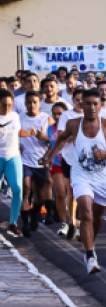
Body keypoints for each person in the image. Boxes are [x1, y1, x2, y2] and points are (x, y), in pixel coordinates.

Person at [42, 89, 106, 274]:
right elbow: (61, 140)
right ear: (81, 105)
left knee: (96, 217)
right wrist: (50, 156)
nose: (92, 107)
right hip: (81, 176)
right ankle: (89, 256)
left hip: (103, 180)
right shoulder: (73, 124)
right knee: (86, 214)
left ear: (100, 105)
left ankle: (90, 243)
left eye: (96, 103)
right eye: (88, 103)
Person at [0, 89, 36, 237]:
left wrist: (28, 133)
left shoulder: (15, 116)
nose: (7, 108)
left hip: (13, 156)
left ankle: (13, 223)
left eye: (9, 105)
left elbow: (17, 131)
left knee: (18, 189)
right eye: (3, 105)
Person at [18, 92, 54, 237]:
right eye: (29, 102)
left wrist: (43, 136)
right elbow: (12, 135)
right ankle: (25, 223)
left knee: (39, 192)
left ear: (40, 103)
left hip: (41, 160)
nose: (32, 105)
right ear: (25, 104)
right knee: (26, 188)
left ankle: (35, 215)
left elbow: (55, 140)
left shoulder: (46, 119)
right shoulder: (19, 118)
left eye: (35, 102)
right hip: (24, 159)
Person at [54, 89, 84, 240]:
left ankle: (80, 223)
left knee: (84, 194)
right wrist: (73, 136)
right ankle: (72, 223)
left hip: (87, 161)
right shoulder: (67, 115)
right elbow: (60, 137)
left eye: (82, 99)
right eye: (77, 99)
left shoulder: (92, 115)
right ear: (72, 100)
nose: (80, 102)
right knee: (71, 193)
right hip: (69, 159)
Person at [47, 103, 69, 227]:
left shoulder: (72, 127)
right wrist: (46, 158)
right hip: (57, 163)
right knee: (60, 193)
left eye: (60, 113)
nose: (57, 116)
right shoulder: (50, 129)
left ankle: (74, 221)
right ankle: (64, 222)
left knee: (72, 195)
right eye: (54, 113)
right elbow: (51, 145)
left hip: (71, 163)